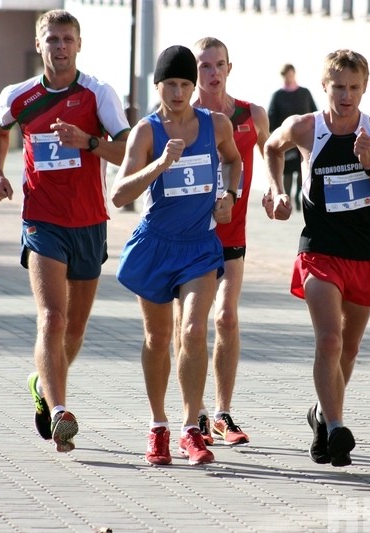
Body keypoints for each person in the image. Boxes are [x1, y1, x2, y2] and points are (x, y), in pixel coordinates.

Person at [0, 9, 130, 453]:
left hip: (88, 223)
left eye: (67, 39)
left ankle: (41, 383)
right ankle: (60, 409)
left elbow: (126, 148)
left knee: (75, 331)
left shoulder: (98, 94)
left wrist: (87, 142)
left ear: (79, 45)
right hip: (42, 221)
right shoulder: (20, 95)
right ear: (38, 45)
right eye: (52, 39)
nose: (60, 46)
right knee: (52, 316)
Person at [262, 49, 370, 467]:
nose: (346, 96)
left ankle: (321, 416)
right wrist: (277, 189)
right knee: (329, 338)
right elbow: (273, 147)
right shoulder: (305, 127)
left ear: (364, 88)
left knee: (349, 349)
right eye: (338, 87)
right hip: (319, 250)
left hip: (363, 254)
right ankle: (339, 426)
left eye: (354, 88)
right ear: (324, 86)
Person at [111, 45, 242, 466]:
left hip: (200, 247)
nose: (179, 91)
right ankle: (158, 426)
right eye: (171, 84)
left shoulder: (216, 124)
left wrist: (229, 195)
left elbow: (234, 161)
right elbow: (118, 194)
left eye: (186, 83)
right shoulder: (147, 132)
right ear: (159, 86)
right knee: (157, 338)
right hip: (156, 245)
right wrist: (160, 165)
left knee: (193, 331)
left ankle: (191, 428)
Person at [179, 36, 270, 447]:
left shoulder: (253, 114)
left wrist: (275, 188)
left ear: (229, 69)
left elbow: (273, 152)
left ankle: (222, 413)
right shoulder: (184, 118)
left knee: (226, 318)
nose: (212, 73)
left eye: (219, 65)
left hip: (232, 232)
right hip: (190, 237)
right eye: (204, 66)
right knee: (190, 327)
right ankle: (193, 413)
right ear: (193, 72)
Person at [267, 63, 317, 211]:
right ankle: (286, 197)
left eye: (289, 75)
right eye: (285, 76)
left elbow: (314, 113)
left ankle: (299, 195)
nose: (288, 78)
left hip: (304, 139)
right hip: (286, 139)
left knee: (303, 170)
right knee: (288, 172)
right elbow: (271, 116)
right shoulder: (278, 95)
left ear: (294, 74)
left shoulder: (305, 93)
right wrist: (275, 136)